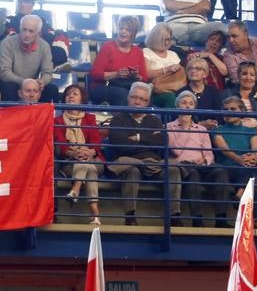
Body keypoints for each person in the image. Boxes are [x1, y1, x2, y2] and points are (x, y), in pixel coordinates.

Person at [104, 82, 181, 227]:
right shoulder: (118, 120)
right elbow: (120, 145)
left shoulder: (155, 121)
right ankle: (130, 216)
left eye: (142, 99)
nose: (137, 102)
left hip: (153, 164)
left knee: (173, 170)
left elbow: (161, 142)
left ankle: (174, 215)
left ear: (148, 102)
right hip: (130, 162)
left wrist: (138, 138)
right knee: (131, 170)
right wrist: (148, 140)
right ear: (128, 98)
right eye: (134, 97)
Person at [168, 89, 231, 227]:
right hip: (184, 166)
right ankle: (197, 219)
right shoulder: (169, 127)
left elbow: (209, 153)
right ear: (177, 106)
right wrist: (185, 127)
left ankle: (221, 219)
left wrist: (206, 161)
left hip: (202, 165)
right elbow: (177, 151)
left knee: (220, 171)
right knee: (193, 174)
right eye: (183, 103)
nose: (187, 106)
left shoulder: (201, 129)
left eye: (191, 104)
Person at [55, 83, 103, 225]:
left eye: (75, 93)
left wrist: (89, 152)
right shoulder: (57, 121)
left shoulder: (90, 119)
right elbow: (60, 145)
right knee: (90, 170)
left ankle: (75, 189)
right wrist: (75, 153)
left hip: (92, 158)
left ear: (82, 99)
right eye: (68, 94)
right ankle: (95, 214)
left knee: (88, 164)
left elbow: (96, 142)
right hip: (70, 162)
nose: (70, 96)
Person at [88, 16, 147, 106]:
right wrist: (116, 74)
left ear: (133, 33)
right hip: (103, 86)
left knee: (142, 96)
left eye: (128, 30)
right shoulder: (107, 47)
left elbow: (145, 78)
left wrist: (135, 76)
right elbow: (95, 73)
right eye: (121, 28)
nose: (123, 32)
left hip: (127, 85)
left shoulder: (138, 51)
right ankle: (121, 120)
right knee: (123, 94)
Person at [0, 14, 54, 102]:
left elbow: (48, 72)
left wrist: (42, 81)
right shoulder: (7, 43)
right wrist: (25, 82)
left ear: (38, 33)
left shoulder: (44, 46)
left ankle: (43, 115)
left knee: (51, 89)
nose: (26, 34)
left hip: (33, 84)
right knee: (8, 87)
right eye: (24, 30)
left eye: (31, 31)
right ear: (20, 29)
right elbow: (4, 73)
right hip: (14, 82)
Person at [213, 94, 257, 196]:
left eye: (233, 109)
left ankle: (240, 193)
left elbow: (256, 148)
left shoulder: (251, 130)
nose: (229, 112)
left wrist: (255, 158)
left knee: (253, 169)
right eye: (226, 109)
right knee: (252, 175)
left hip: (246, 166)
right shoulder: (217, 130)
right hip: (227, 168)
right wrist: (238, 159)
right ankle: (241, 195)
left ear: (242, 111)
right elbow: (224, 149)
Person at [144, 23, 187, 107]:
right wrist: (167, 69)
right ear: (156, 38)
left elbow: (180, 76)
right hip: (155, 91)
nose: (167, 42)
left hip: (175, 87)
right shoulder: (146, 51)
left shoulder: (173, 54)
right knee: (170, 97)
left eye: (169, 39)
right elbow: (147, 74)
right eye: (164, 39)